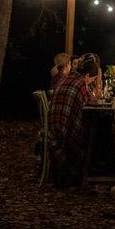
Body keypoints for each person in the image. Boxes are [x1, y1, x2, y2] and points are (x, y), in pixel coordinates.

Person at [47, 54, 100, 187]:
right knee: (93, 128)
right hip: (63, 133)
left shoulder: (68, 79)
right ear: (87, 76)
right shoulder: (81, 83)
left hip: (54, 126)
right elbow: (90, 102)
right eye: (92, 79)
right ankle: (88, 168)